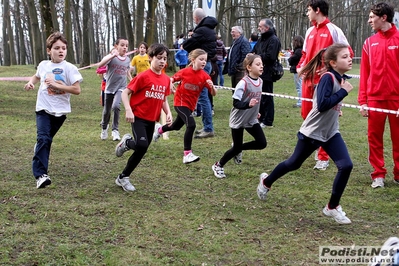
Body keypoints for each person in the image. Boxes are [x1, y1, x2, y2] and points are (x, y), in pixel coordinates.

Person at [256, 43, 354, 224]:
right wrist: (343, 93)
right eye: (345, 57)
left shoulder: (340, 78)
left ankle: (332, 207)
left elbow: (329, 105)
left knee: (346, 165)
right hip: (313, 132)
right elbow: (323, 105)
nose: (349, 59)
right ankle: (266, 182)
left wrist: (337, 107)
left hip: (331, 132)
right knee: (293, 163)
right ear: (333, 63)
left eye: (349, 56)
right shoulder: (328, 78)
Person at [297, 0, 353, 170]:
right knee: (307, 115)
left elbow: (348, 52)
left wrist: (329, 69)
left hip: (325, 82)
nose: (307, 14)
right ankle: (312, 148)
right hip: (308, 82)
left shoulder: (334, 30)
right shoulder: (309, 31)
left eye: (308, 10)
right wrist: (300, 68)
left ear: (317, 10)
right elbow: (305, 54)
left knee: (324, 118)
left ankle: (323, 156)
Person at [23, 31, 83, 189]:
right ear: (49, 50)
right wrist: (31, 83)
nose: (61, 51)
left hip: (60, 113)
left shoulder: (70, 68)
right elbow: (36, 76)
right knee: (44, 139)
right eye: (57, 48)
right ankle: (41, 175)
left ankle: (39, 149)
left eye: (64, 48)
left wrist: (57, 85)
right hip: (43, 109)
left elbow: (77, 90)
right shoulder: (44, 65)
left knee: (45, 140)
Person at [114, 43, 172, 192]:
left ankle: (123, 176)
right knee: (142, 145)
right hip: (138, 117)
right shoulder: (143, 76)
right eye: (159, 58)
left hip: (152, 119)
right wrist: (128, 110)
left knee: (142, 149)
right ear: (150, 58)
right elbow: (125, 93)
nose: (162, 61)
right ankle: (127, 145)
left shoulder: (166, 79)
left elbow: (163, 98)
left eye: (164, 59)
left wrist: (168, 112)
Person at [358, 2, 399, 188]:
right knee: (374, 139)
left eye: (372, 17)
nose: (369, 21)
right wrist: (363, 101)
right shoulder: (369, 43)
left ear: (384, 18)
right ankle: (378, 175)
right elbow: (365, 74)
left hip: (397, 100)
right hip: (374, 100)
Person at [153, 49, 217, 164]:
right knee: (191, 124)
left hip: (190, 106)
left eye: (205, 60)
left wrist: (212, 87)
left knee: (176, 126)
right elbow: (171, 79)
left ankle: (159, 129)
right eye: (201, 59)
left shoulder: (205, 76)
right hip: (180, 103)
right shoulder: (185, 72)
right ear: (193, 60)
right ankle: (187, 154)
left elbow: (213, 93)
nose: (203, 62)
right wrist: (171, 83)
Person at [212, 54, 266, 178]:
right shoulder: (243, 83)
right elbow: (236, 103)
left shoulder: (260, 81)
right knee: (236, 148)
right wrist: (248, 105)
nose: (261, 66)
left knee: (261, 143)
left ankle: (238, 148)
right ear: (249, 67)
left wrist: (256, 111)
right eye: (258, 64)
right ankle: (218, 165)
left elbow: (257, 99)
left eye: (262, 64)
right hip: (238, 119)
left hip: (251, 119)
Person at [182, 8, 218, 138]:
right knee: (202, 96)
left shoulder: (201, 30)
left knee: (203, 97)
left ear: (196, 18)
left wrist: (189, 41)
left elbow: (187, 45)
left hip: (202, 65)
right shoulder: (210, 30)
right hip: (207, 63)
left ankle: (208, 128)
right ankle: (206, 126)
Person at [97, 37, 132, 141]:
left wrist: (132, 79)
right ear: (116, 46)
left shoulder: (127, 59)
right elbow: (100, 65)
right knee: (106, 110)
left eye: (126, 45)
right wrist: (112, 56)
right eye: (122, 45)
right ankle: (104, 127)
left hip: (121, 87)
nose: (125, 47)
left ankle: (115, 130)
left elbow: (127, 71)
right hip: (109, 88)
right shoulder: (111, 57)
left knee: (116, 106)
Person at [252, 19, 281, 128]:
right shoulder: (261, 39)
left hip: (268, 72)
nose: (258, 28)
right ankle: (260, 117)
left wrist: (257, 58)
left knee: (267, 97)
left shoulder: (273, 40)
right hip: (258, 72)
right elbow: (254, 50)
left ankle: (268, 120)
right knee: (259, 96)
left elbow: (271, 56)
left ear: (266, 27)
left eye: (260, 26)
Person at [288, 35, 304, 108]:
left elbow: (292, 59)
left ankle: (300, 102)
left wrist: (290, 59)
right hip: (299, 69)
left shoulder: (298, 51)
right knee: (300, 85)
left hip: (298, 70)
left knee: (299, 86)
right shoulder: (301, 50)